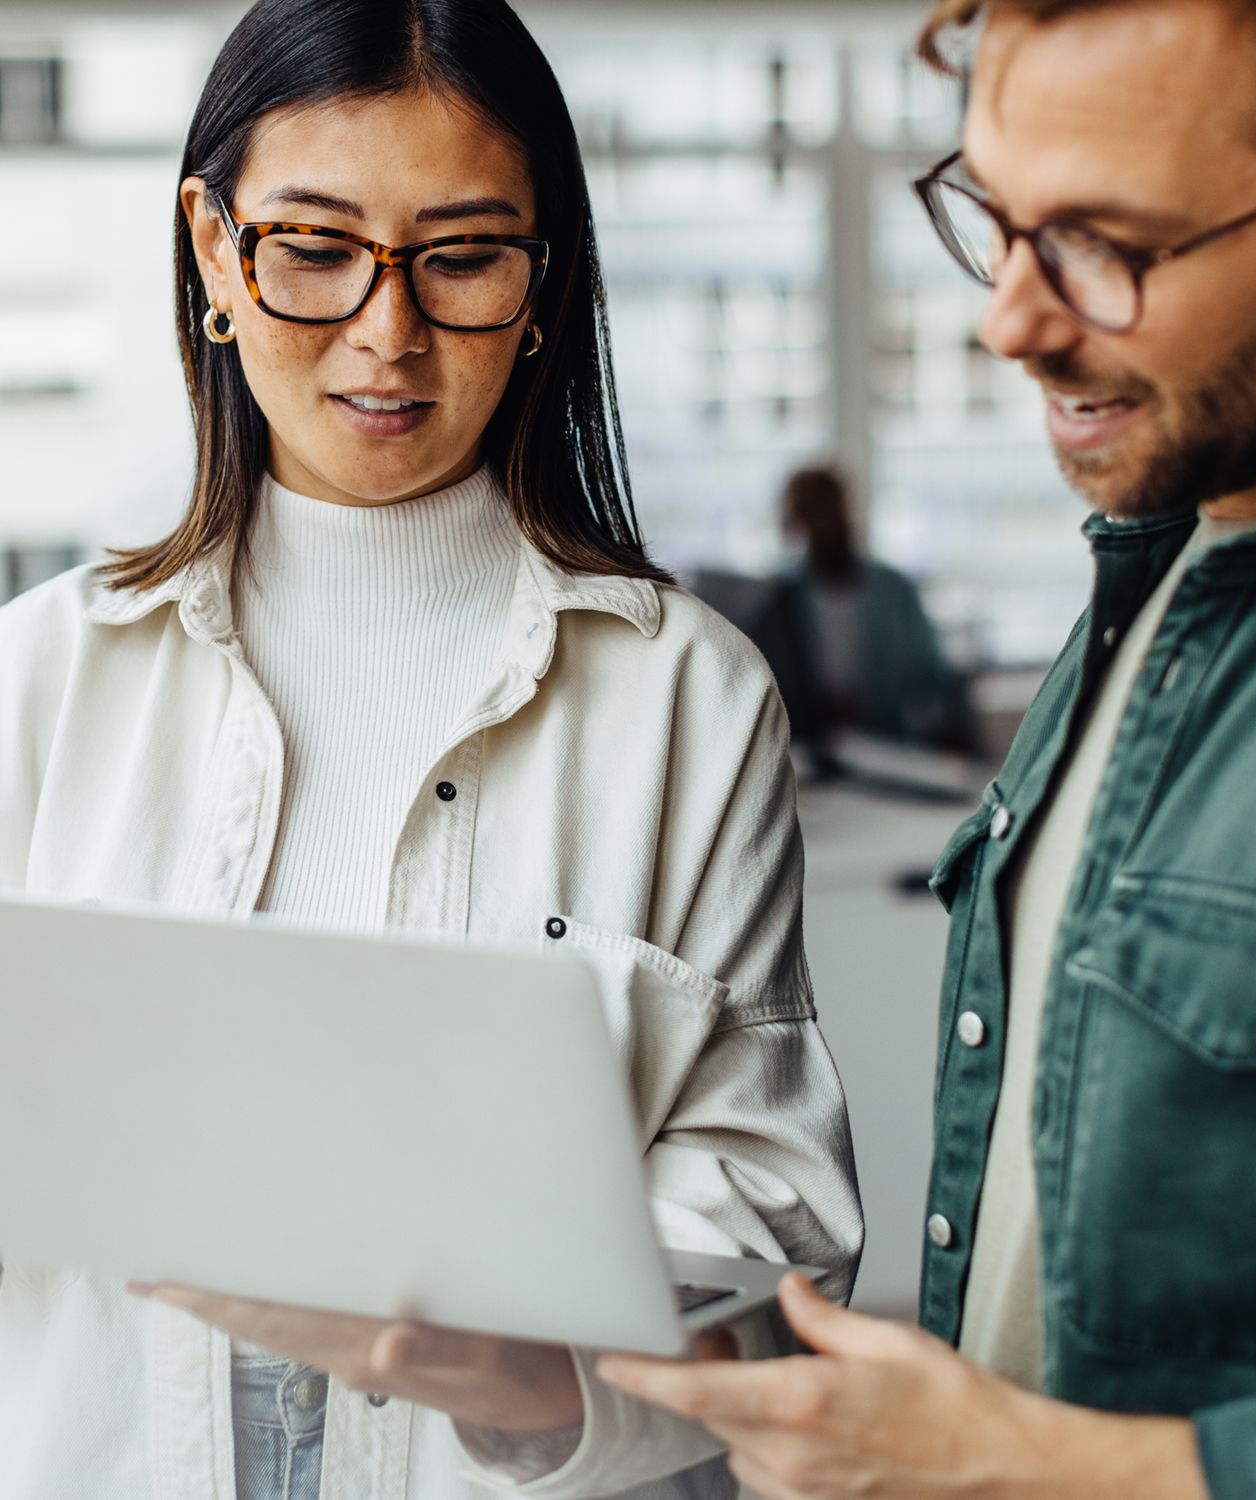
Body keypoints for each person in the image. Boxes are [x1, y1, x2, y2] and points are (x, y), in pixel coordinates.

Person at [598, 2, 1256, 1498]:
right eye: (996, 220)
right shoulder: (1169, 553)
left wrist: (1048, 1471)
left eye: (1104, 244)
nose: (1006, 319)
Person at [0, 2, 863, 1497]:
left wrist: (533, 1386)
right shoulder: (40, 674)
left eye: (461, 257)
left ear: (544, 278)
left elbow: (774, 1229)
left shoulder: (688, 700)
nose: (386, 335)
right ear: (215, 251)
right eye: (316, 250)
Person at [775, 467, 969, 750]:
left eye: (827, 511)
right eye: (810, 515)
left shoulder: (894, 591)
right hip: (808, 753)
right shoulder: (783, 596)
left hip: (888, 748)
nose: (822, 525)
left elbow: (933, 678)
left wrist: (926, 725)